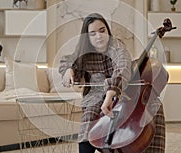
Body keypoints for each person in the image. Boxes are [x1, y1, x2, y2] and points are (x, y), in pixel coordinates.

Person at [59, 13, 165, 153]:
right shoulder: (83, 52)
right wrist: (68, 70)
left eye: (102, 30)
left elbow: (122, 67)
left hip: (122, 91)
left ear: (107, 31)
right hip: (95, 96)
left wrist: (111, 93)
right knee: (88, 118)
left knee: (155, 105)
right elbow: (66, 62)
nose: (99, 36)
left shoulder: (117, 46)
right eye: (93, 33)